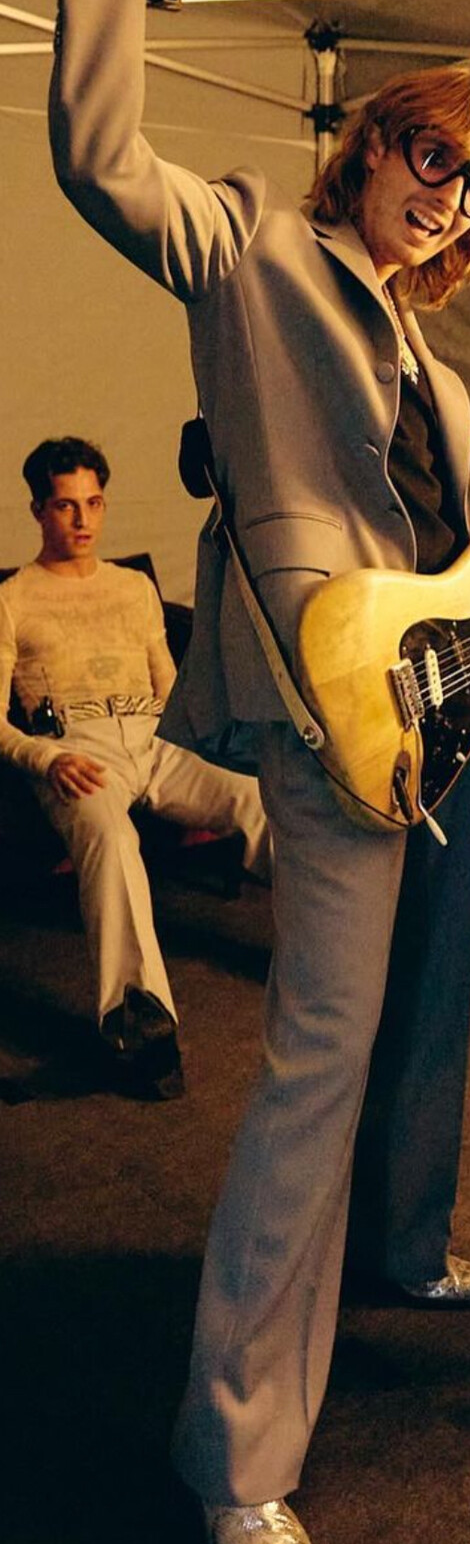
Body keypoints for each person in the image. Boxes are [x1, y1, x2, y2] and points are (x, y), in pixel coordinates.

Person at [49, 0, 470, 1544]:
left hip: (432, 742)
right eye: (434, 154)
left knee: (404, 1045)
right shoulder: (253, 250)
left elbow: (459, 561)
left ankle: (390, 1267)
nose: (450, 196)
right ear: (372, 139)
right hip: (325, 746)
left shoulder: (443, 372)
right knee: (312, 1084)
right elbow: (100, 156)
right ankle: (238, 1464)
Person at [0, 434, 269, 1098]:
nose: (83, 520)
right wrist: (46, 757)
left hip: (157, 735)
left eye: (93, 503)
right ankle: (140, 1028)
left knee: (261, 799)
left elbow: (171, 684)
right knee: (112, 838)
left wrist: (210, 743)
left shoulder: (132, 588)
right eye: (66, 506)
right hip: (76, 750)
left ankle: (326, 960)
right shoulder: (14, 598)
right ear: (38, 510)